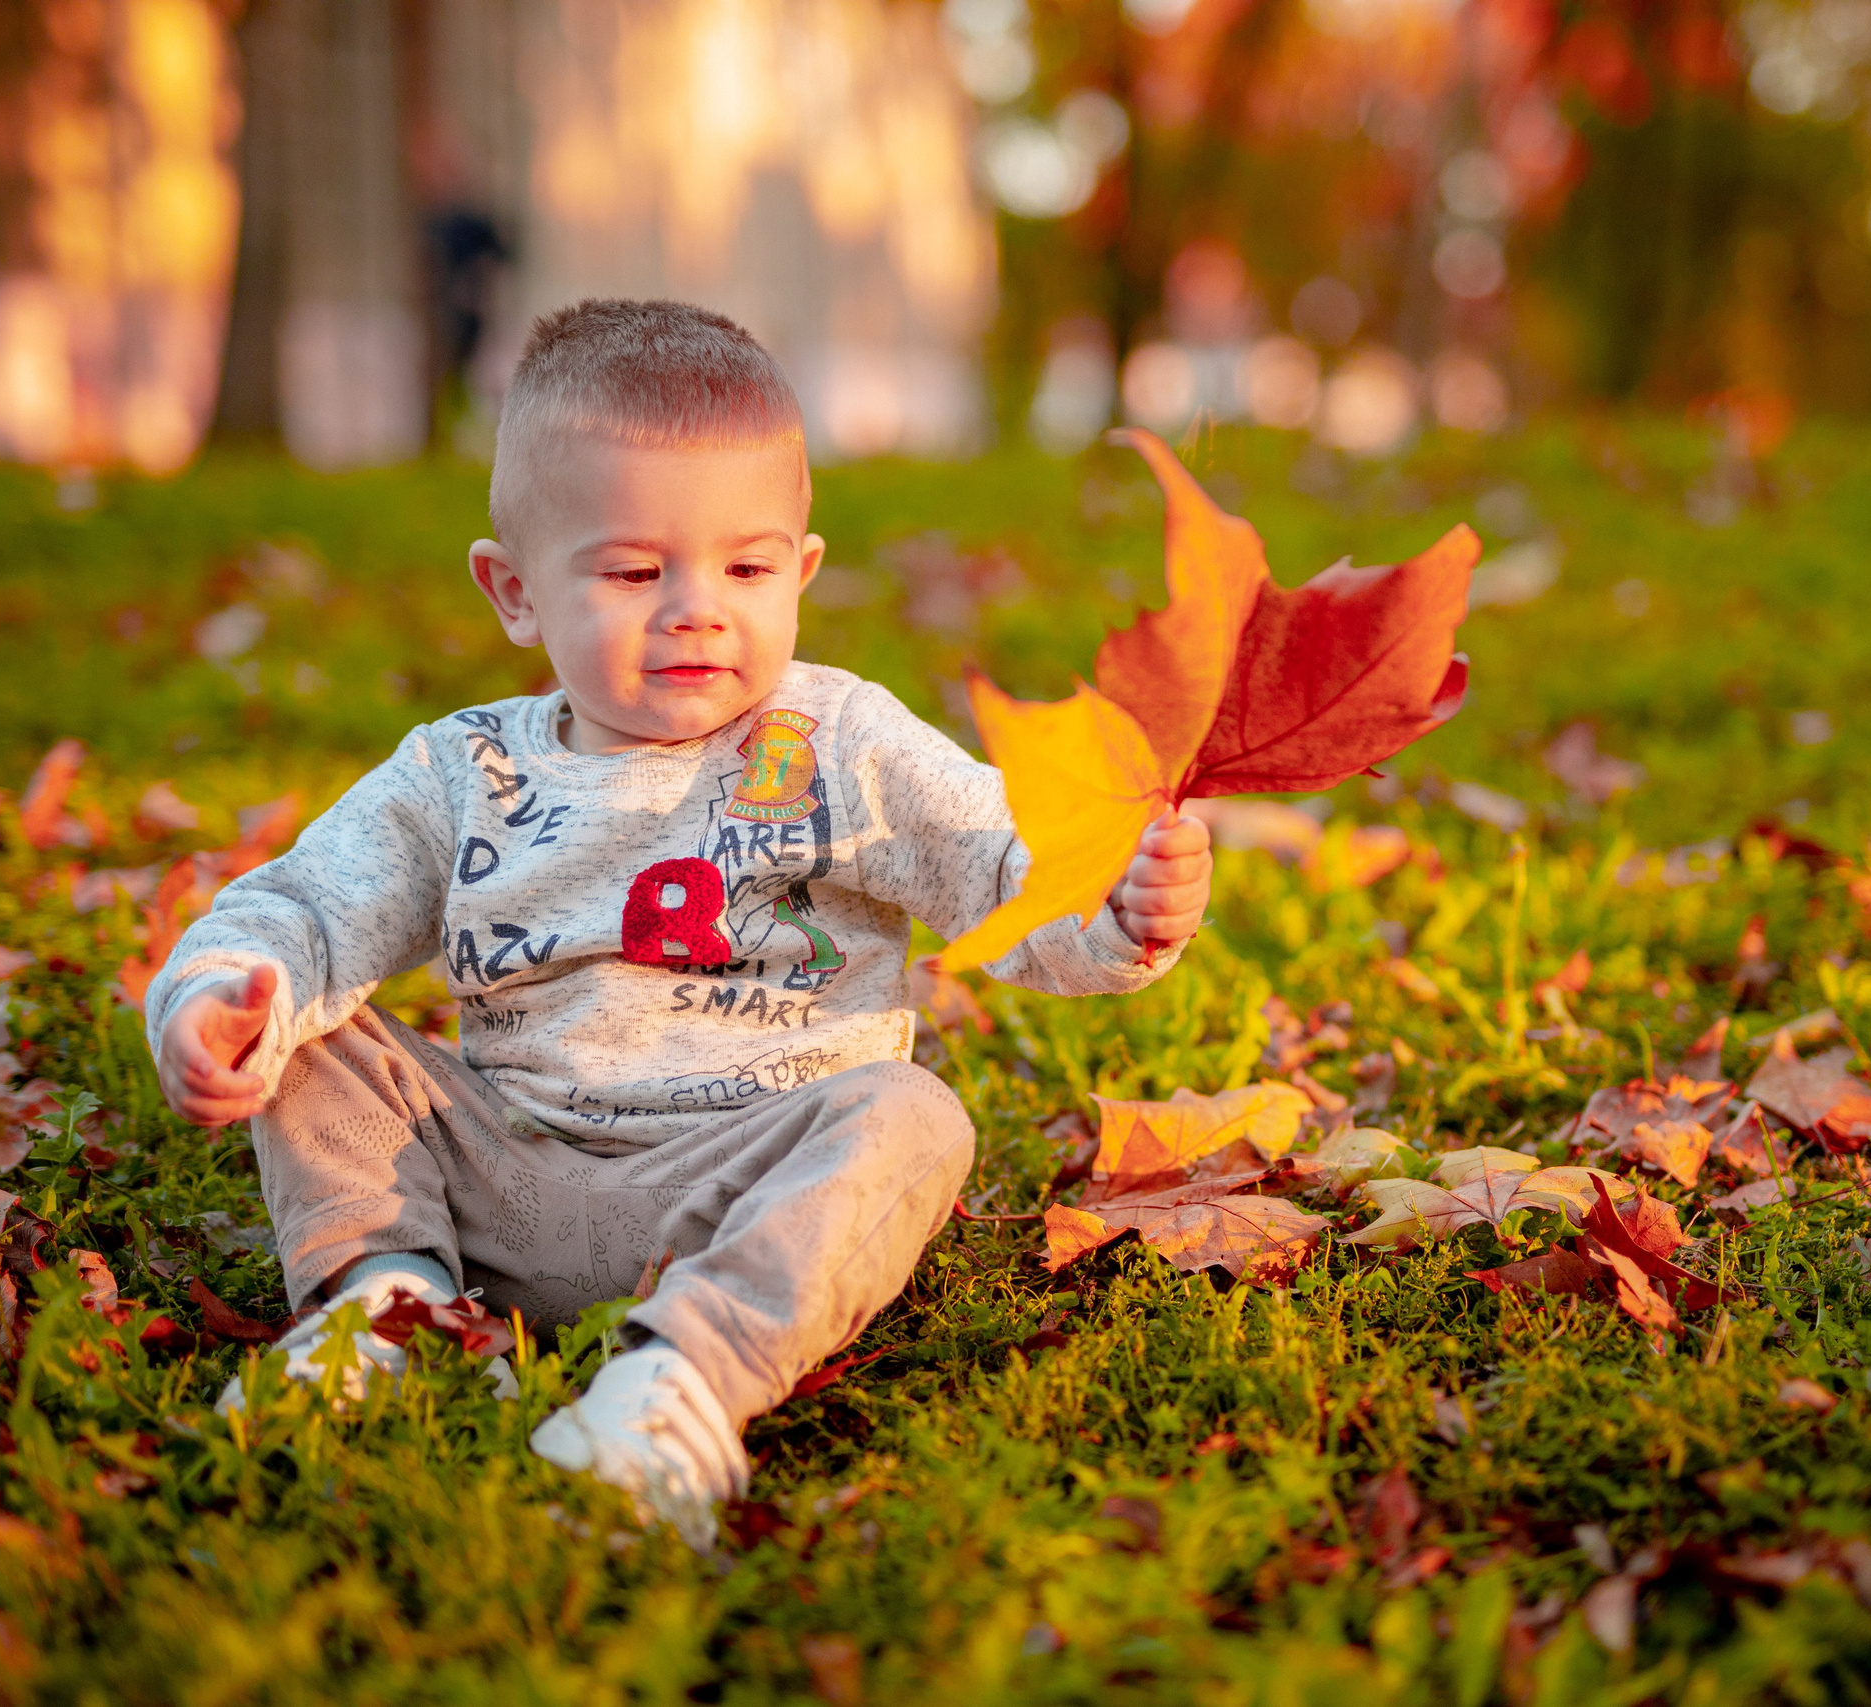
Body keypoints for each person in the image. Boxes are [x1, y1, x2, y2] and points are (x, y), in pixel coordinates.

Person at [143, 299, 1213, 1547]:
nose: (697, 609)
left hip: (747, 1175)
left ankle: (679, 1382)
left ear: (800, 573)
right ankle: (392, 1309)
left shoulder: (841, 745)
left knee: (911, 1120)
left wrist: (1118, 906)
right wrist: (224, 996)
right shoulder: (463, 773)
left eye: (747, 569)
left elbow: (1003, 868)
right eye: (636, 571)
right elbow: (305, 905)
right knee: (315, 1029)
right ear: (516, 592)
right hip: (508, 1171)